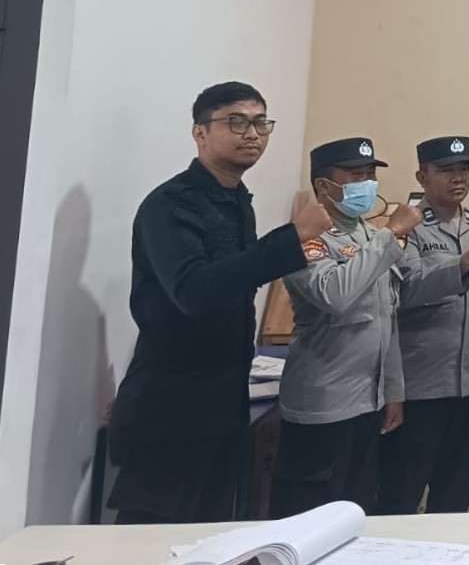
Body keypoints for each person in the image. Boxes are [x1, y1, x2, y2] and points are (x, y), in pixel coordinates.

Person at [107, 82, 324, 524]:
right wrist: (292, 238)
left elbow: (235, 281)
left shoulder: (237, 201)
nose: (253, 133)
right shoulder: (171, 204)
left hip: (223, 403)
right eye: (237, 122)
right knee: (151, 537)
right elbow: (194, 291)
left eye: (261, 123)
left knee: (209, 534)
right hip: (171, 406)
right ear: (200, 132)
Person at [270, 137, 421, 516]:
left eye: (371, 174)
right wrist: (390, 234)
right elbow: (334, 294)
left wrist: (393, 392)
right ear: (324, 186)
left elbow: (387, 319)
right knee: (307, 516)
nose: (368, 184)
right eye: (356, 176)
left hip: (368, 403)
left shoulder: (368, 235)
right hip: (323, 405)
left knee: (355, 512)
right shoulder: (306, 238)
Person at [379, 136, 469, 514]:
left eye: (463, 168)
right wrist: (464, 262)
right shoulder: (407, 227)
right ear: (423, 176)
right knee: (401, 493)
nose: (458, 177)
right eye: (446, 170)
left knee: (456, 491)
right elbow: (406, 290)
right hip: (420, 387)